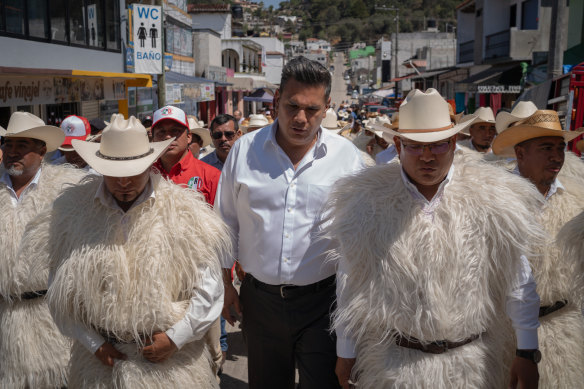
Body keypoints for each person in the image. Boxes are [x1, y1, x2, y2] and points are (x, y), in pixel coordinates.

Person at [328, 89, 543, 388]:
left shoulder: (494, 198)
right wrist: (346, 352)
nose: (427, 156)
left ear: (454, 143)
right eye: (415, 147)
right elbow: (351, 281)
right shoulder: (367, 203)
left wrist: (527, 350)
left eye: (438, 145)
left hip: (473, 366)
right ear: (398, 145)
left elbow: (519, 280)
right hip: (395, 366)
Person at [22, 114, 230, 388]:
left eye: (133, 171)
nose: (124, 182)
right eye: (115, 173)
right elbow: (60, 292)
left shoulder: (184, 214)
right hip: (100, 367)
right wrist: (94, 343)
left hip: (169, 367)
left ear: (148, 165)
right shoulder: (72, 215)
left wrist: (175, 339)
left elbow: (210, 289)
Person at [216, 56, 364, 389]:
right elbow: (224, 222)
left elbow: (359, 240)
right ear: (276, 101)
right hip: (260, 302)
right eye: (291, 106)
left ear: (327, 107)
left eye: (311, 110)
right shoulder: (244, 151)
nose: (300, 118)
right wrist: (225, 285)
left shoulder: (348, 158)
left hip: (323, 304)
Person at [492, 109, 584, 387]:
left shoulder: (579, 200)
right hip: (504, 338)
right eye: (546, 148)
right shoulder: (494, 200)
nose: (556, 157)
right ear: (520, 154)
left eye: (560, 148)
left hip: (565, 334)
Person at [0, 112, 83, 387]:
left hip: (53, 322)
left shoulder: (65, 190)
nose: (12, 152)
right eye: (8, 145)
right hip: (4, 324)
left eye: (22, 145)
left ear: (41, 150)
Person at [151, 106, 221, 205]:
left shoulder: (211, 176)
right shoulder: (145, 176)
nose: (167, 137)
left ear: (189, 137)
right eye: (161, 132)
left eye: (175, 131)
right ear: (153, 139)